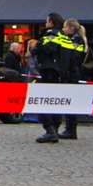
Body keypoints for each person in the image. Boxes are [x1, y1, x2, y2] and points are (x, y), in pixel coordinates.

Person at [31, 12, 65, 143]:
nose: (45, 24)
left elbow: (50, 48)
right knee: (56, 101)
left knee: (45, 100)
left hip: (49, 70)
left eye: (47, 21)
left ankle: (50, 130)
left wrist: (38, 47)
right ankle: (54, 129)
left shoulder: (51, 33)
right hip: (59, 71)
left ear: (51, 23)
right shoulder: (63, 35)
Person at [58, 19, 87, 140]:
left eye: (65, 27)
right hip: (73, 72)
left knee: (70, 101)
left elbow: (73, 57)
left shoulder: (75, 39)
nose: (63, 30)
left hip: (72, 73)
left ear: (71, 28)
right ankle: (69, 128)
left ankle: (71, 129)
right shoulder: (76, 39)